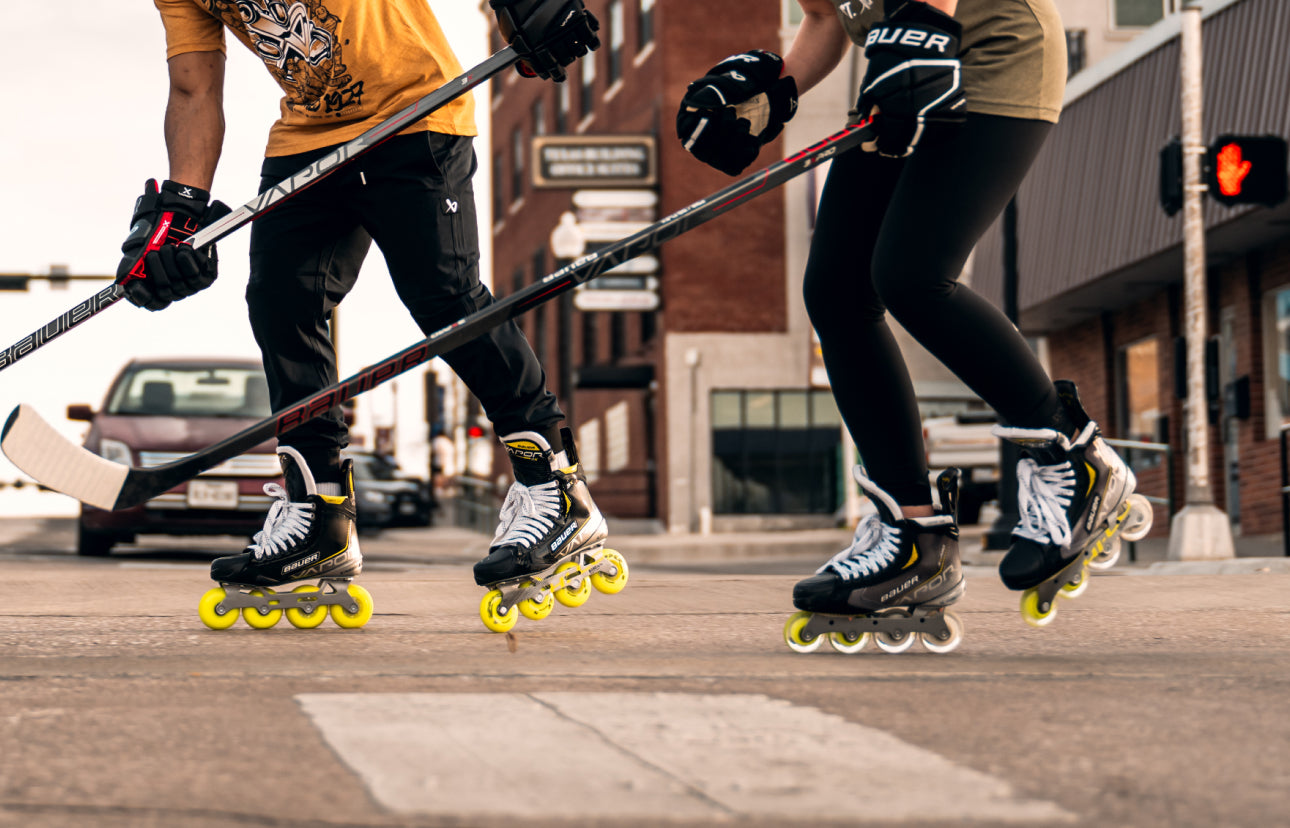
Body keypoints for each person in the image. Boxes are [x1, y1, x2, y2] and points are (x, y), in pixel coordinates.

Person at [123, 0, 611, 629]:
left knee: (444, 298)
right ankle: (319, 512)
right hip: (308, 140)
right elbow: (193, 87)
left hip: (418, 113)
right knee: (281, 303)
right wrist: (183, 207)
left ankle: (555, 484)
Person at [676, 0, 1151, 646]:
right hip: (904, 63)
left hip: (991, 59)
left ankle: (1074, 457)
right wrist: (775, 92)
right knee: (837, 289)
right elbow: (826, 17)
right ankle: (912, 534)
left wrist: (925, 26)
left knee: (911, 274)